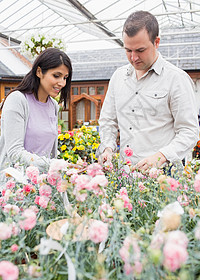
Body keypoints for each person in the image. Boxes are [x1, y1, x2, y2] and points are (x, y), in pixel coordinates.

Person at [96, 10, 199, 172]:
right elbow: (108, 121)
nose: (133, 57)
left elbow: (189, 131)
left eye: (140, 50)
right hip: (126, 175)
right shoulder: (118, 77)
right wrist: (108, 148)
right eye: (128, 50)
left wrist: (161, 156)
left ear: (156, 42)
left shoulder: (176, 79)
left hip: (163, 177)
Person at [0, 47, 72, 186]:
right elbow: (15, 152)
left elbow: (50, 152)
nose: (62, 83)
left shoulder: (53, 106)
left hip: (43, 186)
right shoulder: (18, 100)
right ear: (39, 72)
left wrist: (60, 170)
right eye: (56, 76)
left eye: (65, 77)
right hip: (16, 187)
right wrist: (53, 164)